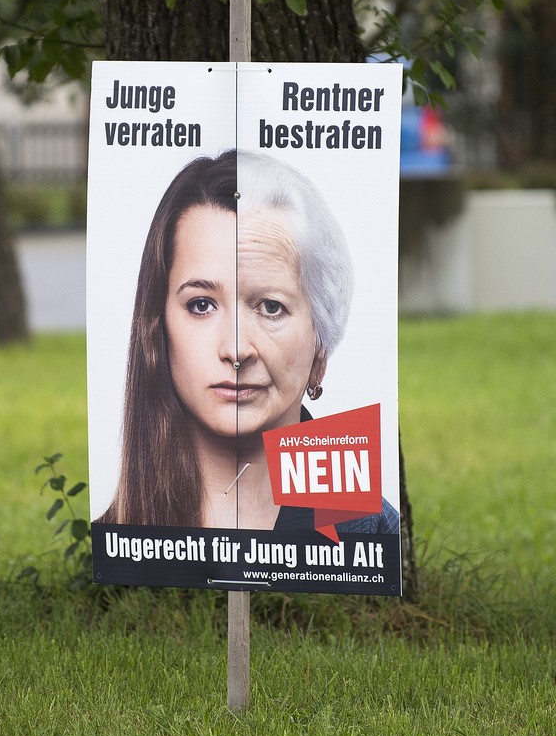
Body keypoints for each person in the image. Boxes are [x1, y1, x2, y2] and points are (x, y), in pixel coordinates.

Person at [98, 148, 398, 534]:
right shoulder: (118, 540)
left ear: (320, 344)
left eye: (271, 307)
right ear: (156, 330)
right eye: (202, 305)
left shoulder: (371, 533)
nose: (237, 350)